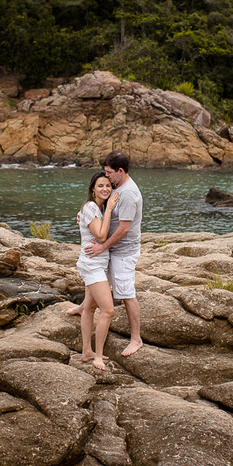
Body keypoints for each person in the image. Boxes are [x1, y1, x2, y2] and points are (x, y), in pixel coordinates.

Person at [81, 150, 144, 356]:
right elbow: (97, 208)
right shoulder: (117, 186)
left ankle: (136, 339)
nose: (106, 176)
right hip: (112, 250)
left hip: (123, 252)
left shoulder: (128, 194)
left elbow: (124, 229)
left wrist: (102, 246)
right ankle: (84, 307)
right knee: (99, 282)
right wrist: (85, 216)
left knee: (126, 294)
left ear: (120, 171)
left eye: (109, 172)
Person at [77, 171, 117, 370]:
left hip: (98, 264)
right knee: (108, 310)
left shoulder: (97, 208)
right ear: (92, 188)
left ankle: (87, 351)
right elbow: (101, 236)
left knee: (89, 308)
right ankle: (98, 356)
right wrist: (109, 209)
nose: (105, 189)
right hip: (92, 264)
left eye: (108, 185)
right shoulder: (92, 207)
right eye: (100, 185)